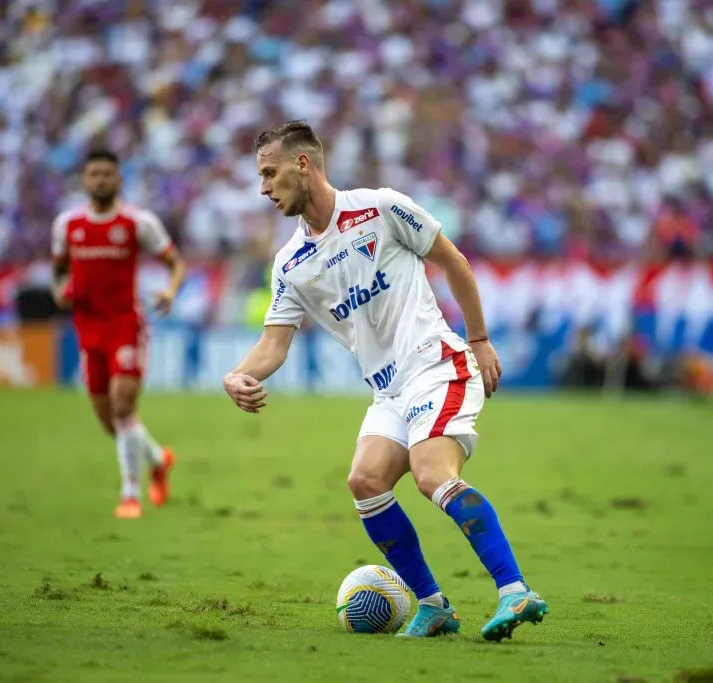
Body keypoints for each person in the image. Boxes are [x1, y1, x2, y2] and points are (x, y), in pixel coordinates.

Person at [222, 121, 549, 641]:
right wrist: (238, 375)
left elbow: (453, 261)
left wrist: (480, 339)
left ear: (302, 165)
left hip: (437, 364)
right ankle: (434, 606)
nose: (263, 187)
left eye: (269, 172)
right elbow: (274, 344)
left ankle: (515, 590)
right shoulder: (290, 264)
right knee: (365, 482)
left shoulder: (380, 208)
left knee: (430, 474)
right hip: (389, 390)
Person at [51, 150, 187, 518]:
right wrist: (59, 292)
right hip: (87, 330)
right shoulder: (67, 225)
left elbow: (175, 263)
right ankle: (158, 460)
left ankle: (130, 495)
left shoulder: (138, 223)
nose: (100, 180)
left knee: (124, 407)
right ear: (84, 179)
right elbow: (59, 271)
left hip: (125, 326)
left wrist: (170, 292)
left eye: (107, 174)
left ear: (119, 179)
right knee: (112, 422)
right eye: (94, 174)